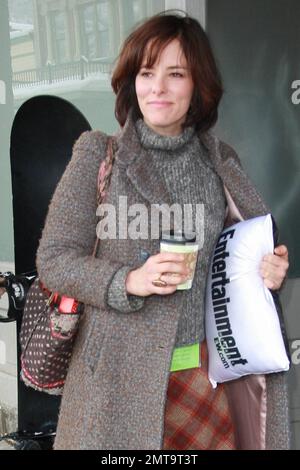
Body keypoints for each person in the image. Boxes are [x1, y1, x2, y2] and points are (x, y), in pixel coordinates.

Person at [35, 12, 290, 450]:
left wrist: (266, 271)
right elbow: (54, 260)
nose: (157, 88)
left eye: (175, 74)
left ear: (198, 85)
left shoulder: (220, 163)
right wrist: (128, 281)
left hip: (204, 380)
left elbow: (231, 260)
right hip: (114, 384)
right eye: (147, 72)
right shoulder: (98, 154)